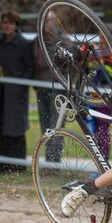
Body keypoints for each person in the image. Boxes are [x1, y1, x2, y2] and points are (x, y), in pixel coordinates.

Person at [0, 11, 34, 173]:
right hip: (0, 91)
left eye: (10, 23)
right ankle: (3, 165)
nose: (6, 25)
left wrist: (20, 84)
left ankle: (17, 165)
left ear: (16, 25)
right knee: (2, 126)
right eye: (4, 22)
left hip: (16, 93)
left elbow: (30, 68)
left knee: (15, 128)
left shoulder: (23, 44)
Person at [33, 11, 69, 163]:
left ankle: (54, 163)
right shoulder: (37, 40)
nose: (45, 24)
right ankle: (48, 161)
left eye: (48, 21)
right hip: (41, 88)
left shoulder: (63, 40)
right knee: (45, 126)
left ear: (54, 22)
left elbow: (71, 63)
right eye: (43, 21)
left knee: (57, 126)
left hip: (58, 89)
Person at [88, 23, 112, 161]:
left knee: (103, 131)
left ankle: (104, 163)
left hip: (107, 98)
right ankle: (98, 163)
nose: (101, 41)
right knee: (94, 132)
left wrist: (96, 57)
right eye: (100, 37)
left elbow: (105, 74)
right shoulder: (99, 53)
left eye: (104, 38)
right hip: (93, 95)